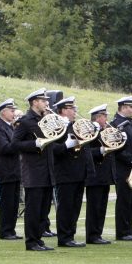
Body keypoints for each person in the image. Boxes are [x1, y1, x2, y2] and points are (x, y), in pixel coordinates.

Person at [13, 88, 57, 251]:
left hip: (47, 170)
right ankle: (31, 241)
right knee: (33, 208)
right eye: (43, 100)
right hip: (33, 171)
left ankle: (38, 239)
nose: (46, 103)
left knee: (44, 208)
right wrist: (34, 144)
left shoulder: (45, 118)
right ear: (34, 102)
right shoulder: (24, 121)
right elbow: (14, 143)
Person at [49, 96, 94, 248]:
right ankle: (64, 237)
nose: (74, 111)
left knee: (75, 207)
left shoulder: (75, 126)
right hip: (65, 172)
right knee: (66, 207)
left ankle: (70, 235)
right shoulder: (56, 127)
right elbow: (52, 149)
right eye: (71, 109)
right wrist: (66, 145)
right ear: (62, 110)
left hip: (78, 172)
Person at [84, 104, 118, 245]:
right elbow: (86, 152)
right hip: (95, 175)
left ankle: (97, 233)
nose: (107, 119)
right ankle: (92, 235)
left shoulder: (105, 130)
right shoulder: (89, 132)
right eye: (104, 116)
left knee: (102, 206)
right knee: (94, 206)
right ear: (97, 117)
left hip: (104, 174)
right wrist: (101, 151)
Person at [111, 95, 132, 241]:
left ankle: (128, 230)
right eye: (131, 107)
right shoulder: (116, 124)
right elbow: (116, 149)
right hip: (123, 167)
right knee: (124, 200)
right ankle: (122, 232)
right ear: (123, 107)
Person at [0, 99, 21, 240]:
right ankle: (5, 231)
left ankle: (11, 230)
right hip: (6, 169)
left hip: (15, 169)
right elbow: (4, 148)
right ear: (3, 112)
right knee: (7, 202)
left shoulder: (10, 127)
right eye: (11, 110)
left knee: (14, 202)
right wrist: (22, 144)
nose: (14, 113)